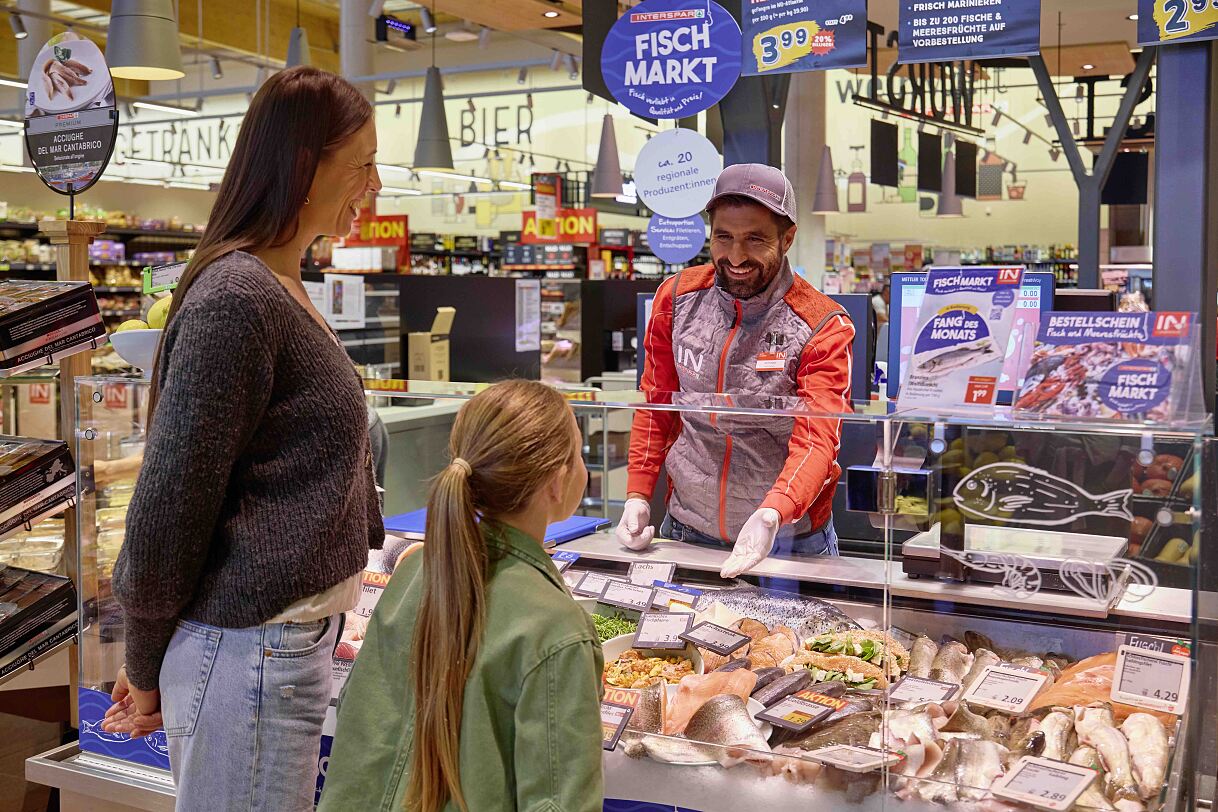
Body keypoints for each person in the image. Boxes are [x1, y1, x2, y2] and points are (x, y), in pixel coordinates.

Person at [101, 66, 384, 812]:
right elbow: (170, 502)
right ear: (304, 165)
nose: (375, 186)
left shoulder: (281, 286)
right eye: (363, 165)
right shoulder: (238, 297)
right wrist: (144, 656)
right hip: (250, 648)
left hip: (277, 644)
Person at [318, 380, 603, 812]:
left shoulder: (414, 571)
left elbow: (363, 739)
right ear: (556, 482)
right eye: (578, 455)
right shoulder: (557, 627)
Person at [616, 163, 855, 579]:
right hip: (687, 530)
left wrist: (774, 512)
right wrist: (637, 493)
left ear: (787, 238)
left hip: (788, 540)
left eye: (755, 239)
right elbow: (656, 405)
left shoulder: (822, 324)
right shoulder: (676, 299)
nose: (736, 256)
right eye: (723, 238)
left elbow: (818, 439)